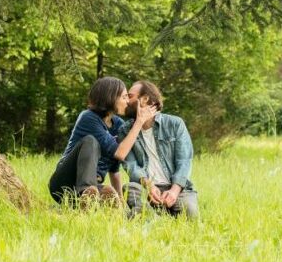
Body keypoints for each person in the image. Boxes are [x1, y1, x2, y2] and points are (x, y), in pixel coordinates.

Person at [48, 76, 158, 206]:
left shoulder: (118, 125)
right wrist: (139, 122)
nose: (127, 101)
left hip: (94, 185)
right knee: (90, 141)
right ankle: (86, 193)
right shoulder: (88, 117)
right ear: (110, 98)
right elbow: (120, 153)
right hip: (64, 182)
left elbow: (114, 170)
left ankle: (90, 201)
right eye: (123, 97)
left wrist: (122, 202)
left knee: (109, 193)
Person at [120, 80, 198, 219]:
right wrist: (150, 187)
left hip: (177, 188)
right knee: (130, 188)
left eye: (130, 96)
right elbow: (131, 166)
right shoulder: (125, 130)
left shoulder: (175, 124)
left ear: (144, 99)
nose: (126, 100)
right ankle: (153, 216)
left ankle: (151, 215)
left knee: (191, 216)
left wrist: (174, 191)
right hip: (146, 187)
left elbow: (184, 161)